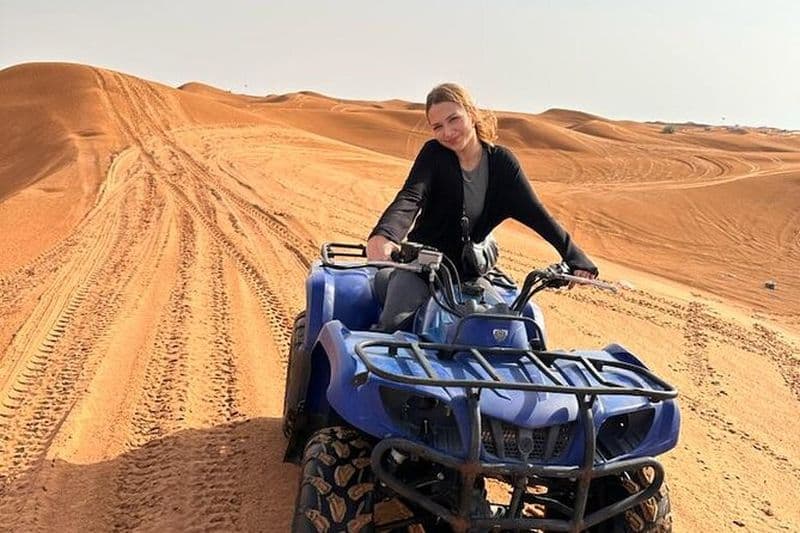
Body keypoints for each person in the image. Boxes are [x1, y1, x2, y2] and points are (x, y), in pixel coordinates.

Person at [367, 83, 597, 331]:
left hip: (469, 276)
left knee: (503, 331)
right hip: (420, 270)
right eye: (438, 127)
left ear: (471, 113)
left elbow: (538, 214)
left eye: (453, 119)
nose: (447, 132)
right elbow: (411, 196)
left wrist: (576, 258)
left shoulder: (502, 164)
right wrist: (386, 234)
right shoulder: (434, 155)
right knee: (395, 324)